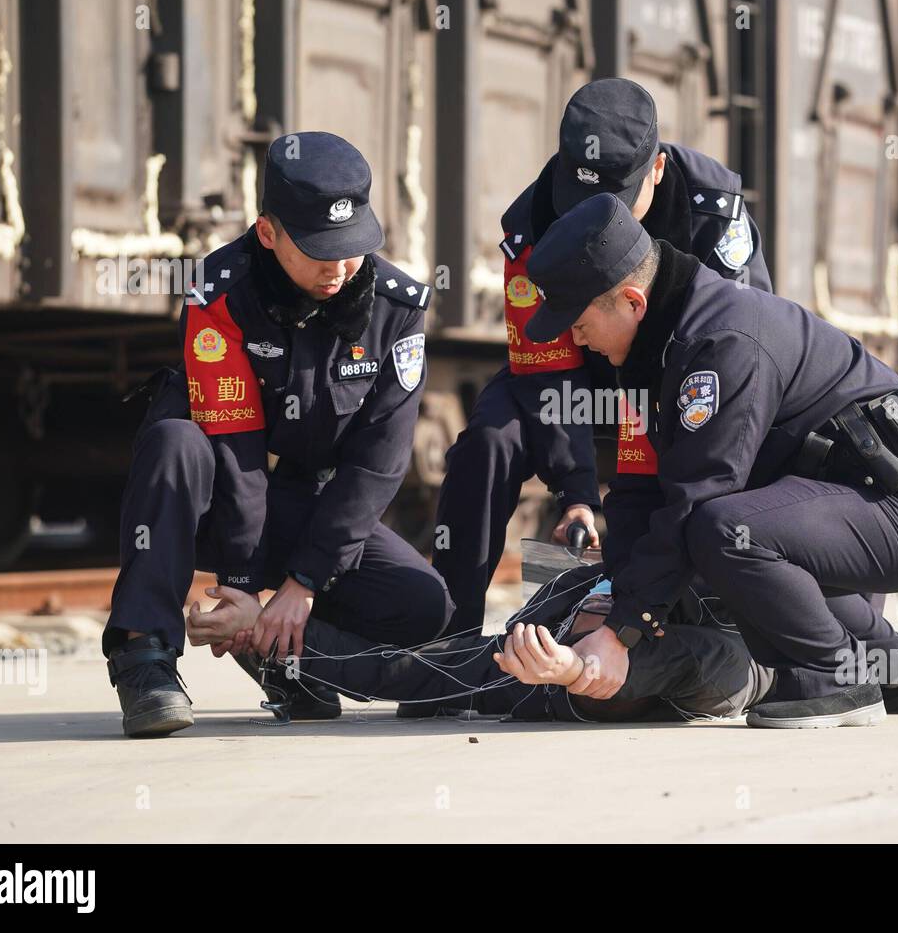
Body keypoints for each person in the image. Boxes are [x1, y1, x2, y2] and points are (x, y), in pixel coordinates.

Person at [521, 192, 898, 728]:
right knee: (731, 548)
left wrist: (621, 634)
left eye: (578, 319)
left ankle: (830, 678)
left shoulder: (718, 342)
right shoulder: (655, 349)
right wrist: (618, 596)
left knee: (724, 531)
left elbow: (695, 500)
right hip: (847, 512)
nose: (573, 336)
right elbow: (642, 489)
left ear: (633, 301)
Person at [103, 131, 452, 738]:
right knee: (175, 443)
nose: (341, 269)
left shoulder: (398, 307)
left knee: (425, 606)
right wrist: (238, 585)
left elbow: (377, 464)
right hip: (217, 504)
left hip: (306, 511)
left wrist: (304, 585)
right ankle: (145, 662)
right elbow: (235, 448)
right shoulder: (221, 293)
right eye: (321, 251)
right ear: (268, 234)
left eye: (352, 248)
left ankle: (288, 658)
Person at [432, 78, 772, 636]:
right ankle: (449, 639)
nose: (595, 217)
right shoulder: (533, 222)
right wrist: (576, 494)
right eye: (581, 199)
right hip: (581, 371)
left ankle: (705, 621)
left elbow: (741, 349)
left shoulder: (713, 214)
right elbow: (545, 368)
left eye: (616, 202)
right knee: (491, 438)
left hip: (689, 375)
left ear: (656, 170)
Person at [186, 562, 772, 723]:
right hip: (545, 639)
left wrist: (573, 670)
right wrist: (260, 622)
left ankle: (267, 646)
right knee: (412, 678)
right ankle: (273, 653)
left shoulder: (737, 651)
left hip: (543, 680)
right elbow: (392, 669)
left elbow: (717, 669)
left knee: (408, 677)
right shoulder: (669, 548)